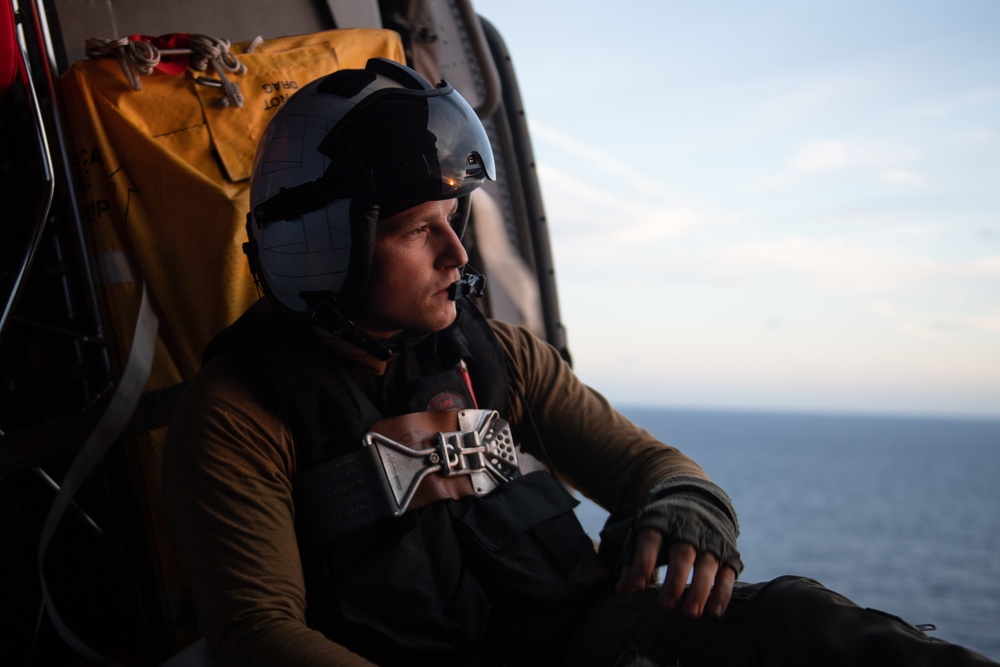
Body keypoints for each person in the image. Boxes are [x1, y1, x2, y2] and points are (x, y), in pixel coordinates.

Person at [162, 58, 998, 667]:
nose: (458, 251)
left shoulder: (495, 355)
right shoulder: (240, 412)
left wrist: (686, 505)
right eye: (421, 229)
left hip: (599, 636)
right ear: (318, 250)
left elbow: (649, 466)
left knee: (805, 624)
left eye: (456, 218)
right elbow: (262, 634)